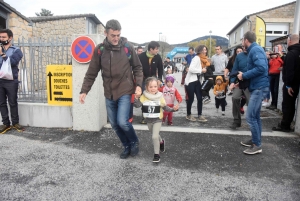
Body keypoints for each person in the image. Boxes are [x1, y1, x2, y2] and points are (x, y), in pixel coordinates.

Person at [79, 19, 143, 159]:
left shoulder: (128, 48)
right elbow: (92, 72)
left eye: (118, 35)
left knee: (123, 122)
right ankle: (126, 145)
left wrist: (138, 85)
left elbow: (137, 68)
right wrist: (84, 91)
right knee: (114, 124)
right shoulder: (100, 50)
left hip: (125, 90)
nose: (116, 38)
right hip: (109, 92)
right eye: (113, 35)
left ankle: (134, 141)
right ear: (105, 33)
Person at [237, 31, 269, 155]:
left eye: (242, 40)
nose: (241, 43)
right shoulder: (255, 50)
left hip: (259, 87)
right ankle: (256, 140)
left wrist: (244, 75)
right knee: (255, 116)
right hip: (258, 86)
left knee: (250, 116)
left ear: (246, 40)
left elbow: (261, 68)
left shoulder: (255, 50)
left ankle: (257, 145)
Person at [134, 77, 178, 162]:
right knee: (156, 135)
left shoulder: (160, 96)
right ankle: (161, 142)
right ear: (146, 87)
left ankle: (156, 155)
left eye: (155, 86)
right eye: (150, 87)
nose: (153, 88)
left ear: (157, 86)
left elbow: (165, 107)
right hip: (148, 120)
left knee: (154, 136)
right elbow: (137, 105)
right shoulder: (144, 96)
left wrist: (173, 109)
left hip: (157, 119)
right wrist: (136, 98)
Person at [272, 34, 300, 132]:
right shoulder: (297, 52)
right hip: (296, 83)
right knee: (290, 105)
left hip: (291, 85)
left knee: (287, 105)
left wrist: (288, 85)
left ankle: (285, 125)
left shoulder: (291, 53)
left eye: (287, 41)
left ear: (290, 41)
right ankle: (286, 124)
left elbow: (290, 70)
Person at [0, 29, 24, 134]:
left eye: (4, 37)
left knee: (12, 102)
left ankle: (15, 123)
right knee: (1, 103)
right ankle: (6, 124)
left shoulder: (16, 50)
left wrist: (2, 54)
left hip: (11, 81)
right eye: (0, 37)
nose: (1, 39)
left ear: (10, 38)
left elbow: (13, 63)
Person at [138, 41, 164, 124]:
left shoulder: (158, 57)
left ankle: (153, 115)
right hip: (143, 80)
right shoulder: (141, 56)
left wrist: (159, 79)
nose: (157, 50)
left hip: (153, 80)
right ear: (151, 49)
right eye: (156, 49)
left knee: (152, 97)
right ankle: (144, 116)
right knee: (144, 97)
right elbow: (137, 68)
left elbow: (160, 69)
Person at [228, 46, 250, 129]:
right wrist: (232, 82)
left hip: (249, 83)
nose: (244, 48)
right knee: (235, 98)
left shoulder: (253, 54)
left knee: (250, 102)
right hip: (239, 83)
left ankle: (252, 121)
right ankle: (236, 120)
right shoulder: (239, 57)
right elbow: (234, 70)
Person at [185, 45, 207, 122]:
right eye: (204, 50)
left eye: (205, 50)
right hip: (191, 81)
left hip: (197, 81)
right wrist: (201, 70)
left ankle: (200, 115)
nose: (205, 51)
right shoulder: (196, 58)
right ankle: (188, 114)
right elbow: (191, 69)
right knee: (191, 99)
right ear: (200, 51)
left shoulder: (203, 60)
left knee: (200, 98)